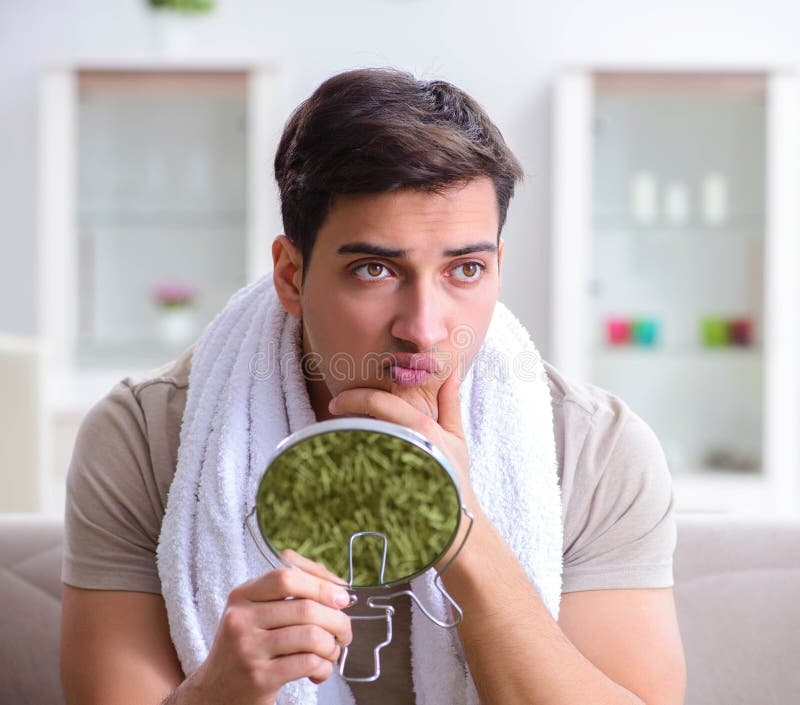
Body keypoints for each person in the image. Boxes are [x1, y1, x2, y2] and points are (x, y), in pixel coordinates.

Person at [60, 67, 686, 705]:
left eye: (465, 269)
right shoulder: (144, 438)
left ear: (499, 264)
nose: (423, 328)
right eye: (375, 269)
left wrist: (463, 531)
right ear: (291, 275)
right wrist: (219, 689)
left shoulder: (594, 450)